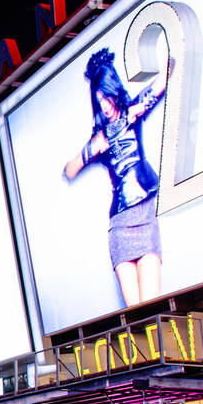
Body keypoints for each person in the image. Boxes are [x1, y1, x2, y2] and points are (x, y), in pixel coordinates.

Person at [62, 47, 169, 307]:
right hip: (120, 227)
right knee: (137, 315)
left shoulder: (134, 111)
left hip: (145, 217)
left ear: (114, 92)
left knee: (153, 307)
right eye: (100, 103)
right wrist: (91, 149)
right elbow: (69, 170)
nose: (106, 108)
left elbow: (163, 79)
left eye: (108, 99)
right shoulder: (101, 137)